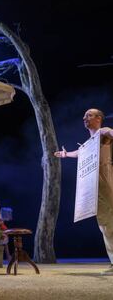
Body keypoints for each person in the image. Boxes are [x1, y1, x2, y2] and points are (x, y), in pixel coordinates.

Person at [54, 108, 113, 275]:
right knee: (105, 225)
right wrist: (66, 154)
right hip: (95, 186)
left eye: (89, 115)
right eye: (84, 116)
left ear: (99, 118)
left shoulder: (104, 132)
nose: (84, 118)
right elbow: (80, 152)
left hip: (107, 180)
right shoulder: (89, 143)